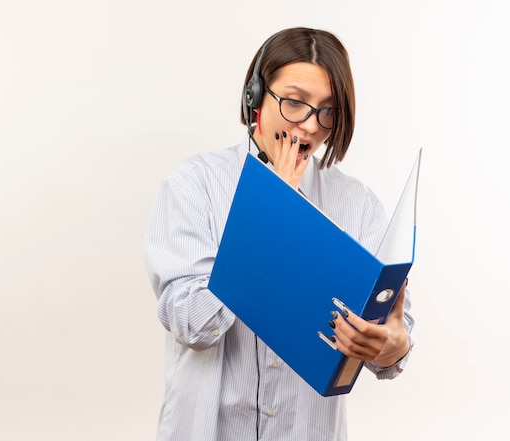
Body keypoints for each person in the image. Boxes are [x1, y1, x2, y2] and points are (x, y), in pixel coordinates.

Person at [143, 27, 414, 441]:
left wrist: (392, 346)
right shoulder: (193, 186)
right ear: (255, 96)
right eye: (294, 103)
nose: (309, 127)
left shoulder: (358, 205)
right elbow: (192, 323)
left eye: (327, 110)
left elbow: (391, 337)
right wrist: (271, 213)